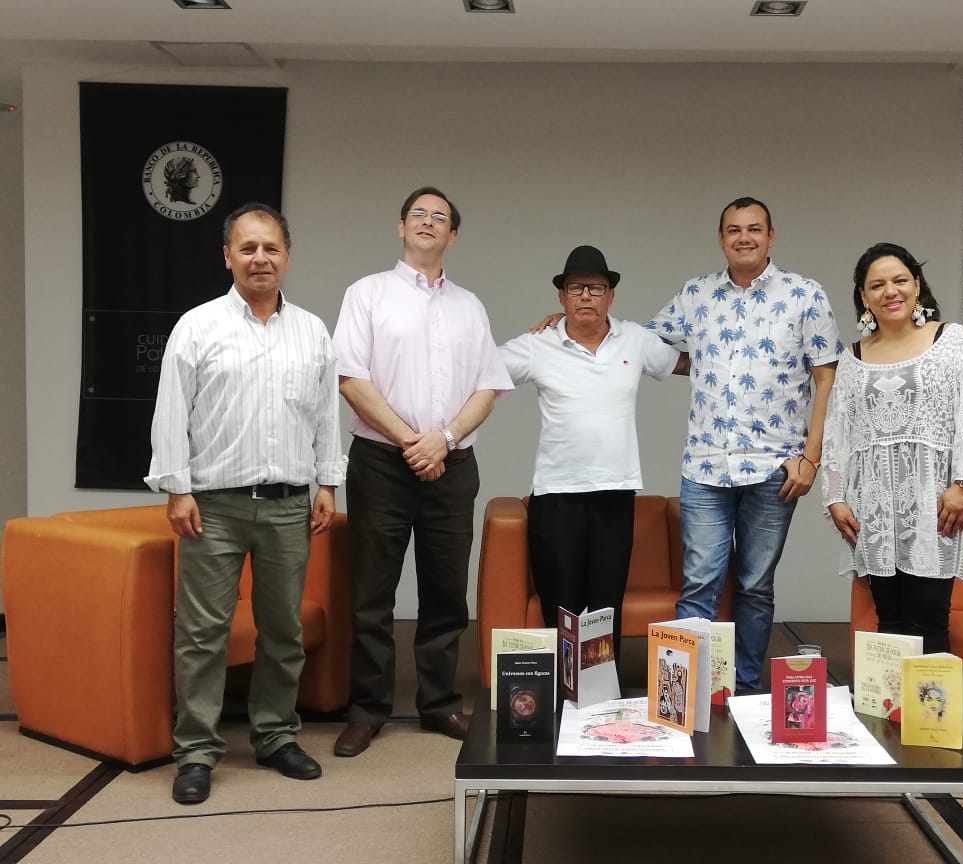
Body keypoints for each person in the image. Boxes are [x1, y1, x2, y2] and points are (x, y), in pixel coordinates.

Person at [145, 202, 344, 805]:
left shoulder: (311, 331)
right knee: (202, 633)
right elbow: (171, 412)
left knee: (282, 629)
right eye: (248, 247)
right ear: (227, 256)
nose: (261, 258)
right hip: (213, 507)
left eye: (271, 247)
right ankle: (196, 751)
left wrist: (328, 483)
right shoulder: (197, 326)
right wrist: (177, 487)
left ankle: (276, 736)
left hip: (289, 506)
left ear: (287, 256)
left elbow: (326, 415)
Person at [332, 186, 512, 757]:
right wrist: (410, 440)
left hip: (452, 465)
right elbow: (350, 378)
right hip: (381, 465)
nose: (428, 222)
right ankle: (367, 710)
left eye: (440, 217)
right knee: (372, 593)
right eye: (418, 214)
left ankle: (439, 703)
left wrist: (444, 440)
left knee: (445, 592)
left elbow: (489, 386)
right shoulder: (367, 294)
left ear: (452, 235)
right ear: (401, 226)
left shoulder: (469, 306)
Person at [647, 196, 841, 693]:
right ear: (721, 239)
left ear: (771, 236)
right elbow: (646, 344)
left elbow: (827, 377)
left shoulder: (804, 295)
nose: (744, 238)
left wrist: (811, 458)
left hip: (776, 469)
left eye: (754, 228)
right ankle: (682, 696)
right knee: (699, 584)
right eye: (733, 230)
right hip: (705, 467)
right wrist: (567, 322)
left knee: (755, 586)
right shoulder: (696, 294)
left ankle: (747, 692)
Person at [499, 245, 686, 660]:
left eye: (596, 288)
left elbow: (689, 364)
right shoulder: (538, 344)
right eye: (576, 288)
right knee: (561, 605)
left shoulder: (634, 339)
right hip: (556, 496)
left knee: (604, 607)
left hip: (614, 495)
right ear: (562, 296)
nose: (586, 296)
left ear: (611, 296)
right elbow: (481, 369)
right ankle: (564, 691)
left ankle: (600, 690)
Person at [821, 242, 963, 655]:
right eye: (877, 285)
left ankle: (931, 701)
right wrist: (834, 497)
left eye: (900, 280)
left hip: (935, 504)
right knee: (889, 620)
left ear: (917, 285)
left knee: (928, 619)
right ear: (864, 296)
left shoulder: (952, 340)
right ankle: (887, 700)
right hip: (873, 509)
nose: (891, 291)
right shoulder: (852, 358)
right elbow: (837, 432)